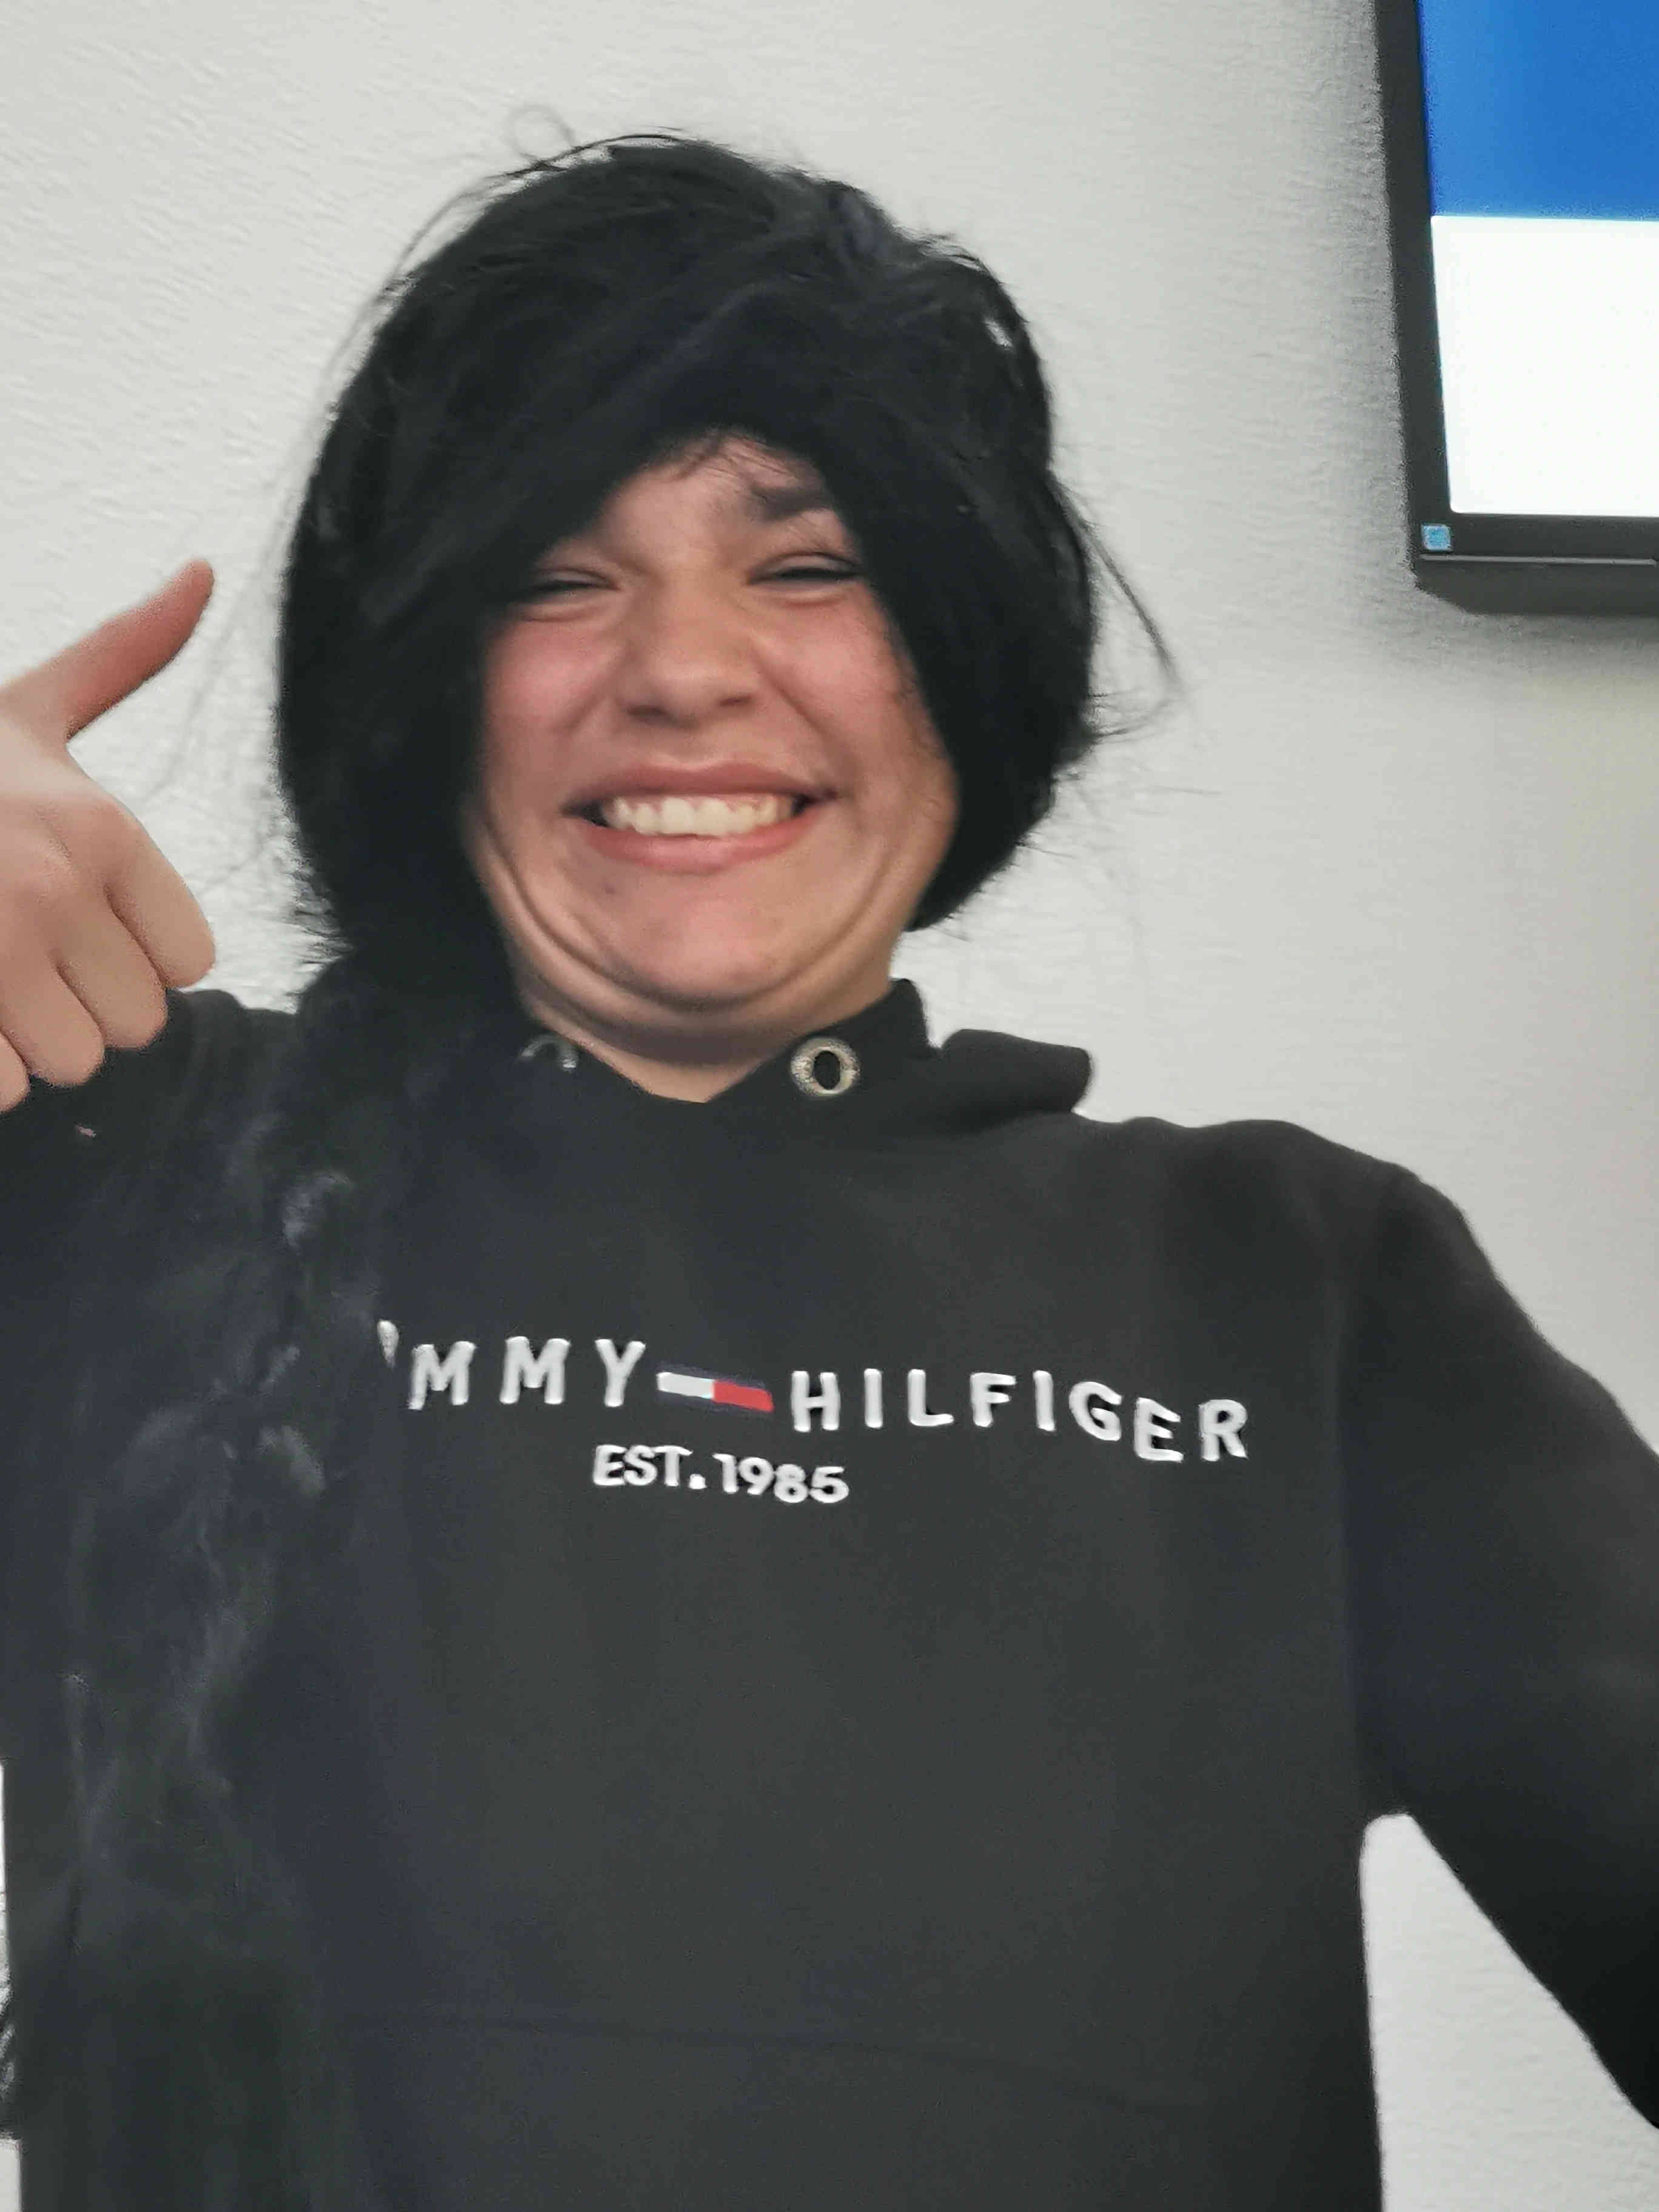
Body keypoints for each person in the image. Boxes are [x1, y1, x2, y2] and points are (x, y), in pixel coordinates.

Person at [0, 130, 1653, 2212]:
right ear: (429, 684)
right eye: (557, 575)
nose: (685, 669)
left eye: (807, 567)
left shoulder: (1308, 1288)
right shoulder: (113, 1178)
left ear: (963, 652)